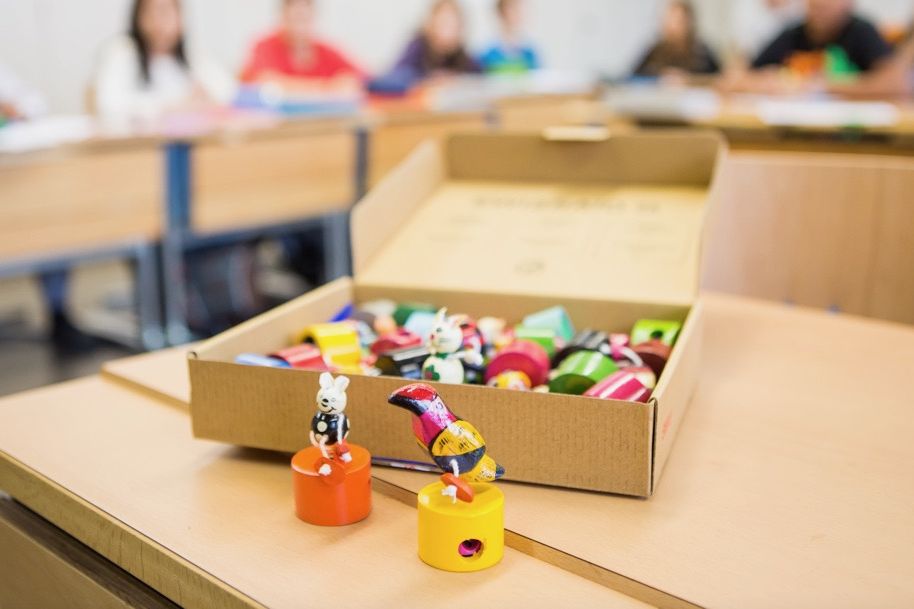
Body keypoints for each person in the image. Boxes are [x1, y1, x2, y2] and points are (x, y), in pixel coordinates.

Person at [94, 0, 234, 122]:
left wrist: (206, 101)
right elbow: (110, 105)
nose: (159, 20)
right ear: (139, 17)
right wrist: (175, 107)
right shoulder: (123, 51)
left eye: (167, 11)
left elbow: (229, 94)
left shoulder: (193, 57)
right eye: (153, 12)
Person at [240, 0, 364, 90]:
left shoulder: (326, 50)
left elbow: (360, 78)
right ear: (283, 17)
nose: (299, 27)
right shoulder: (265, 46)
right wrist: (327, 88)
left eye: (304, 19)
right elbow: (267, 84)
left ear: (313, 17)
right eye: (294, 18)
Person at [752, 0, 892, 76]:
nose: (820, 7)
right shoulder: (793, 33)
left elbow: (895, 83)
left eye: (826, 6)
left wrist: (825, 87)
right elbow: (740, 78)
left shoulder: (861, 31)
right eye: (815, 6)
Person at [378, 0, 481, 90]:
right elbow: (396, 76)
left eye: (453, 24)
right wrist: (428, 80)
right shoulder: (417, 46)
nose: (448, 30)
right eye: (444, 23)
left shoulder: (460, 53)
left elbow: (479, 76)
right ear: (432, 23)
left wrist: (456, 79)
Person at [632, 1, 720, 78]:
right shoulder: (655, 50)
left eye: (680, 21)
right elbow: (632, 77)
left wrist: (690, 79)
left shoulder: (702, 52)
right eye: (672, 20)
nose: (676, 26)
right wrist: (659, 77)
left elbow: (717, 78)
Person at [479, 0, 540, 74]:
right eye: (512, 9)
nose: (517, 14)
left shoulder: (529, 51)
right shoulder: (487, 52)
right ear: (500, 13)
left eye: (519, 9)